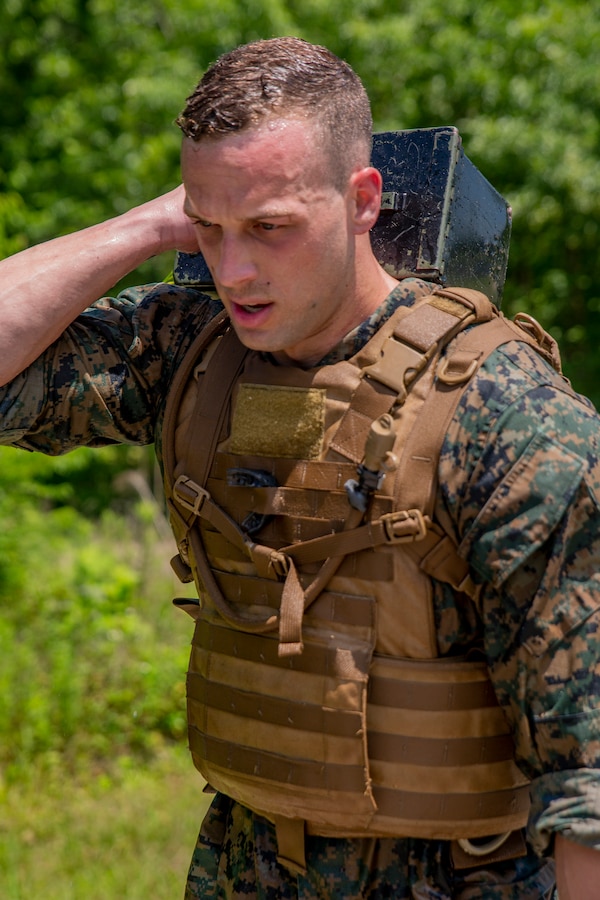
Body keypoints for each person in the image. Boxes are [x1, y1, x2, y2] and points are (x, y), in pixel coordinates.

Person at [1, 35, 599, 900]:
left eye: (270, 226)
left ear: (363, 200)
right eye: (209, 227)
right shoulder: (193, 352)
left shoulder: (505, 412)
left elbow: (587, 772)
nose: (234, 270)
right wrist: (146, 227)